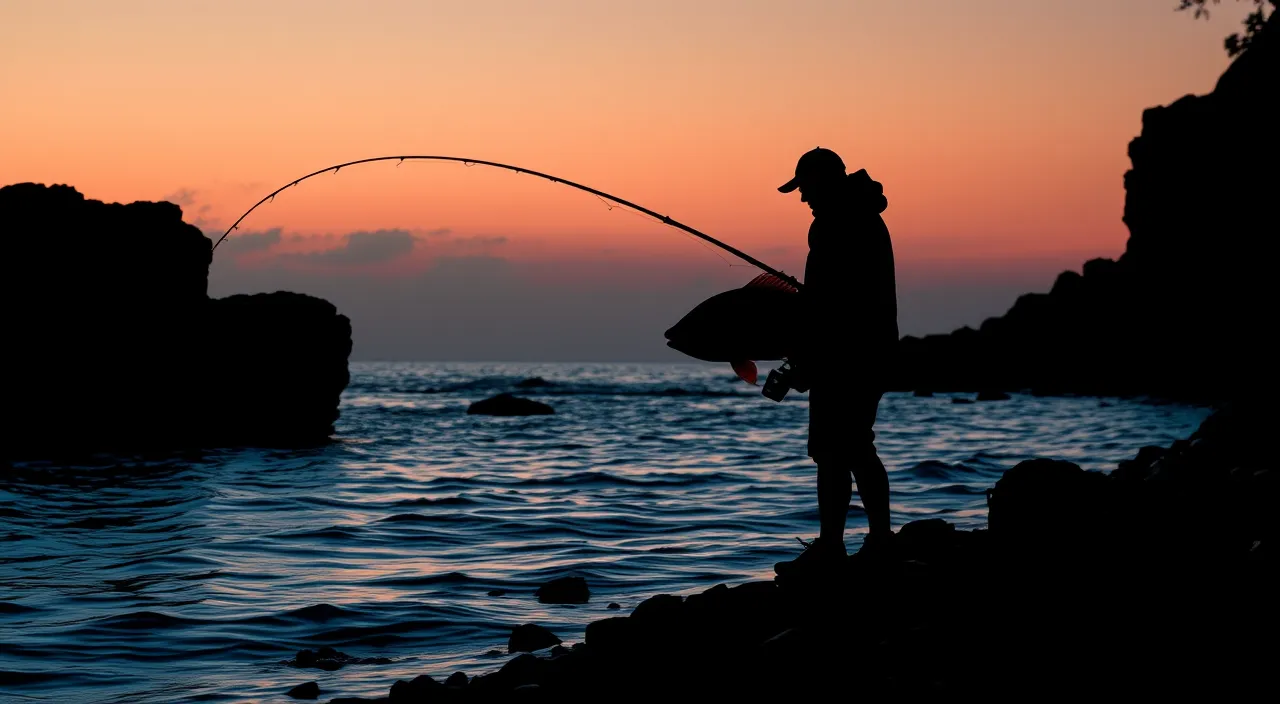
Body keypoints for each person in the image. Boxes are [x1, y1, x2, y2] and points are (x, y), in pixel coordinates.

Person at [773, 147, 898, 579]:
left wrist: (807, 356)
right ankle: (874, 540)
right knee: (854, 447)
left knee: (836, 451)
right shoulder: (862, 215)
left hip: (848, 354)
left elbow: (832, 305)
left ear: (823, 181)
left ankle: (835, 547)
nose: (803, 198)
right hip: (869, 350)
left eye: (805, 188)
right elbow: (832, 297)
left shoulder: (835, 222)